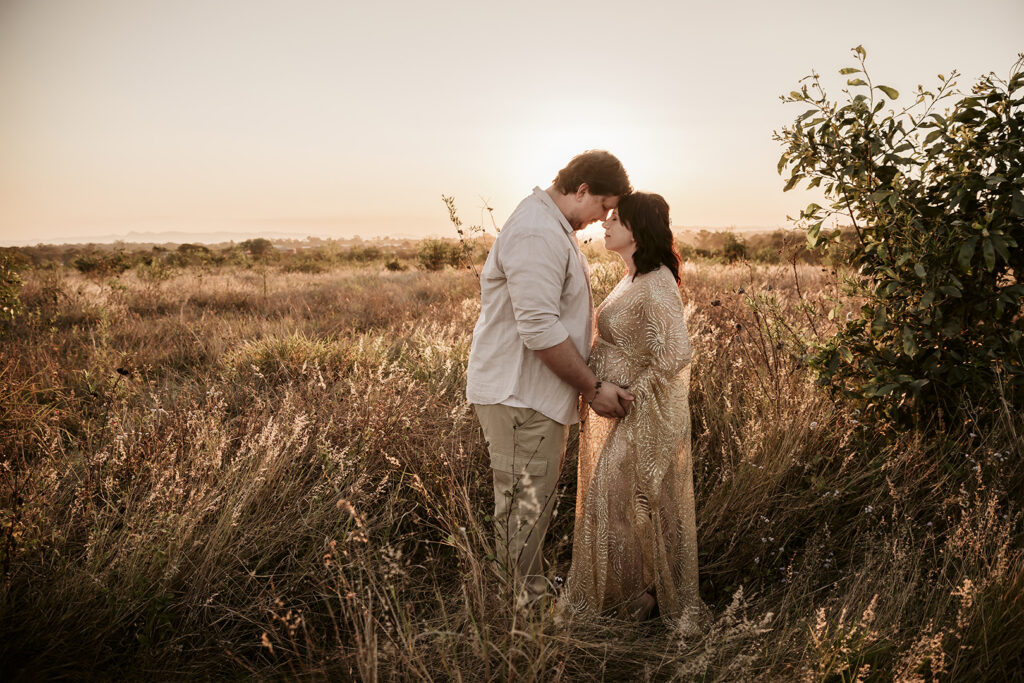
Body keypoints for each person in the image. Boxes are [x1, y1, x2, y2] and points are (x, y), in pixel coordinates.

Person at [466, 150, 635, 607]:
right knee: (522, 509)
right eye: (603, 206)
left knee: (529, 506)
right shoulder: (538, 231)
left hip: (533, 394)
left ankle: (527, 596)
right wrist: (592, 388)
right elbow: (538, 328)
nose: (604, 218)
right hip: (521, 395)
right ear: (582, 191)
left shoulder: (552, 226)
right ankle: (522, 615)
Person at [564, 192, 705, 627]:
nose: (605, 225)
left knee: (616, 505)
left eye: (616, 220)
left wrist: (632, 393)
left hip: (644, 416)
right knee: (619, 508)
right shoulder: (633, 278)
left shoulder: (658, 279)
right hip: (625, 413)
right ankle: (634, 599)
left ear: (638, 230)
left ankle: (634, 603)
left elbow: (676, 352)